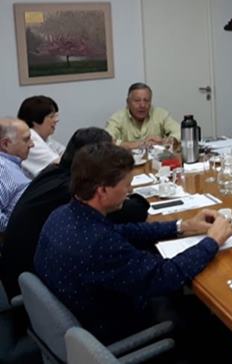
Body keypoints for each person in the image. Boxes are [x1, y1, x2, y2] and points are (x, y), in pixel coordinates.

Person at [34, 142, 232, 344]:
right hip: (115, 331)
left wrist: (183, 225)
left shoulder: (62, 215)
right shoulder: (99, 244)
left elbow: (124, 231)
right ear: (102, 190)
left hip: (82, 315)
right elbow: (164, 276)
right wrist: (212, 241)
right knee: (216, 321)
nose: (130, 190)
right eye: (127, 184)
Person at [1, 127, 149, 299]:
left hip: (30, 272)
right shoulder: (72, 189)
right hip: (33, 284)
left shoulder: (53, 171)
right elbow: (135, 212)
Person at [106, 82, 180, 149]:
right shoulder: (117, 118)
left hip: (157, 159)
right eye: (137, 100)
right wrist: (134, 144)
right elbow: (105, 140)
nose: (142, 105)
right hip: (127, 159)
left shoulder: (160, 114)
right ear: (128, 102)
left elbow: (180, 132)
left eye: (146, 100)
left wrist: (164, 141)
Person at [17, 95, 65, 177]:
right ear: (36, 120)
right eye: (51, 116)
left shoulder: (45, 138)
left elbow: (66, 153)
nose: (56, 120)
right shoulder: (30, 139)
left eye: (55, 116)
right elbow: (59, 164)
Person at [0, 118, 34, 232]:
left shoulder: (10, 165)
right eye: (26, 139)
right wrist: (14, 229)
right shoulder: (3, 170)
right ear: (5, 144)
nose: (32, 144)